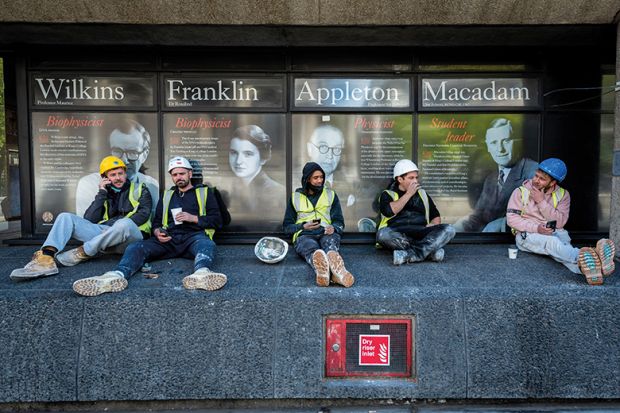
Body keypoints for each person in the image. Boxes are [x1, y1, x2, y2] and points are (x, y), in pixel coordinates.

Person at [72, 156, 228, 296]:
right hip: (170, 239)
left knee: (207, 244)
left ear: (190, 174)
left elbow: (218, 221)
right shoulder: (167, 195)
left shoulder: (205, 193)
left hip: (194, 237)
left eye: (182, 173)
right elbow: (157, 221)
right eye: (175, 174)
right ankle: (116, 276)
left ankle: (202, 273)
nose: (178, 177)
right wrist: (157, 231)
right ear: (172, 177)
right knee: (136, 247)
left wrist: (193, 218)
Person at [10, 156, 152, 281]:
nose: (118, 177)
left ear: (125, 174)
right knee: (65, 217)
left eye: (120, 173)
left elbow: (143, 215)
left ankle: (84, 251)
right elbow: (89, 219)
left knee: (124, 224)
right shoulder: (105, 194)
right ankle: (46, 258)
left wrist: (112, 229)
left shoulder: (141, 189)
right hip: (105, 239)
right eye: (113, 174)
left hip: (131, 239)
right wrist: (102, 193)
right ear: (105, 178)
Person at [506, 158, 616, 285]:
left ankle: (590, 270)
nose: (536, 180)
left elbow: (560, 223)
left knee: (561, 251)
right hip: (527, 236)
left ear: (553, 182)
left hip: (555, 232)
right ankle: (592, 255)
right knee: (553, 243)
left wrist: (541, 201)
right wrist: (537, 228)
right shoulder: (520, 192)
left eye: (542, 179)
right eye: (536, 175)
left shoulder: (563, 195)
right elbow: (512, 220)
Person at [454, 118, 538, 232]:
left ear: (517, 142)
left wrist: (501, 224)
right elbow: (479, 216)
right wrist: (458, 227)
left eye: (506, 141)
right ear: (488, 147)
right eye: (494, 143)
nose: (500, 149)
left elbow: (538, 217)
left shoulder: (534, 172)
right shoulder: (491, 179)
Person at [283, 162, 355, 287]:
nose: (320, 180)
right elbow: (287, 226)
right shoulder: (295, 197)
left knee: (330, 247)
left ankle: (333, 267)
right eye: (316, 178)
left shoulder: (330, 194)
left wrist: (334, 228)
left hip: (326, 232)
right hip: (304, 234)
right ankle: (326, 269)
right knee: (313, 250)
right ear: (307, 179)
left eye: (321, 177)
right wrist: (302, 226)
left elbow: (339, 221)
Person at [376, 159, 456, 265]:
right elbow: (389, 211)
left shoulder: (422, 194)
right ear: (400, 179)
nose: (415, 181)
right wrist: (408, 194)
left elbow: (435, 215)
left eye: (416, 177)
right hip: (399, 234)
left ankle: (410, 255)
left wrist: (432, 224)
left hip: (421, 233)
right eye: (411, 178)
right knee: (382, 234)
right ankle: (428, 251)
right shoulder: (387, 194)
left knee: (449, 229)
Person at [76, 119, 159, 217]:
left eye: (133, 152)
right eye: (117, 151)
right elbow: (85, 223)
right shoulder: (88, 183)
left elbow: (149, 219)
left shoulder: (151, 185)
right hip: (99, 231)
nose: (124, 161)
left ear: (145, 154)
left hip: (129, 230)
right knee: (65, 218)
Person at [306, 124, 375, 232]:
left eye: (337, 149)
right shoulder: (292, 186)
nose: (330, 155)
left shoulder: (355, 188)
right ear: (309, 149)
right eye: (323, 147)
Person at [227, 125, 285, 216]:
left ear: (263, 158)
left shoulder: (277, 192)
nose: (238, 161)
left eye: (248, 154)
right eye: (234, 153)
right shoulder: (231, 188)